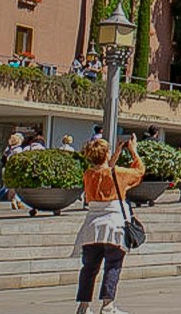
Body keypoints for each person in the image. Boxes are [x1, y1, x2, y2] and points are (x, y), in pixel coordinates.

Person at [73, 134, 144, 314]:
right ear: (106, 154)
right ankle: (107, 305)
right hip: (113, 225)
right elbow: (139, 172)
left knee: (88, 268)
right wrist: (133, 152)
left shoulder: (88, 174)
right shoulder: (118, 173)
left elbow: (105, 171)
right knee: (113, 265)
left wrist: (116, 153)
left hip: (91, 226)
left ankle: (83, 306)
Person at [0, 132, 25, 210]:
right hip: (14, 169)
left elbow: (3, 159)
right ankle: (17, 201)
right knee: (13, 186)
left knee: (8, 186)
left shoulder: (8, 149)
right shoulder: (19, 150)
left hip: (5, 168)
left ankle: (13, 201)